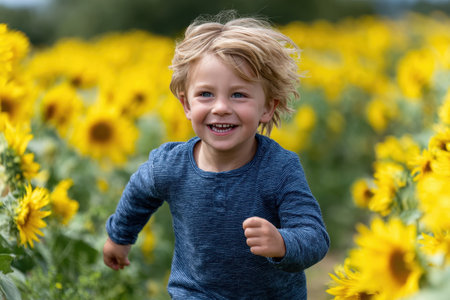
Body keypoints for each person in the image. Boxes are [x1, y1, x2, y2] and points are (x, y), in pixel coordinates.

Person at [103, 11, 330, 299]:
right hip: (195, 293)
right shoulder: (171, 165)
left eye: (238, 95)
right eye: (206, 94)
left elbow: (315, 236)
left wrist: (283, 242)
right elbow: (139, 192)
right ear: (186, 104)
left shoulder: (279, 169)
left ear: (267, 108)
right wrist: (119, 237)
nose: (221, 107)